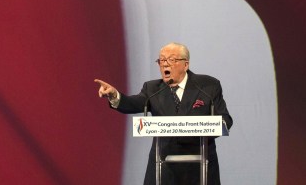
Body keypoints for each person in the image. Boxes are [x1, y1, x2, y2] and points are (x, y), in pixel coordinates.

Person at [95, 42, 232, 185]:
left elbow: (225, 119)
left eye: (171, 60)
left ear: (185, 65)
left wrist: (209, 127)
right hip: (163, 167)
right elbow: (132, 103)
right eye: (161, 60)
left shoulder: (208, 86)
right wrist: (114, 95)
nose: (165, 64)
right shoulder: (153, 88)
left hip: (199, 167)